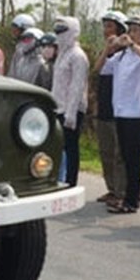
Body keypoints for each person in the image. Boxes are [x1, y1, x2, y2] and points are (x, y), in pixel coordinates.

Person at [102, 16, 140, 214]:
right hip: (121, 111)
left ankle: (133, 200)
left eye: (136, 30)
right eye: (131, 30)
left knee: (133, 158)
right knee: (126, 157)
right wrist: (109, 47)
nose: (131, 33)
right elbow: (100, 68)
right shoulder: (121, 57)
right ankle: (125, 196)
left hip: (136, 113)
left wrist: (132, 45)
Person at [93, 10, 129, 206]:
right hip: (104, 108)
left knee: (118, 153)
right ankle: (111, 188)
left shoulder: (126, 53)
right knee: (105, 151)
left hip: (120, 109)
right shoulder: (107, 52)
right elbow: (97, 69)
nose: (106, 31)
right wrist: (107, 50)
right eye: (104, 26)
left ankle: (121, 190)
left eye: (110, 26)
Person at [51, 16, 89, 187]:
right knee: (58, 146)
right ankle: (60, 178)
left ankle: (70, 181)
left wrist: (71, 113)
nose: (59, 34)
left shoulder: (78, 56)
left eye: (62, 30)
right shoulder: (62, 54)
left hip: (71, 109)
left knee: (71, 148)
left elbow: (77, 86)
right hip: (59, 106)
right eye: (57, 30)